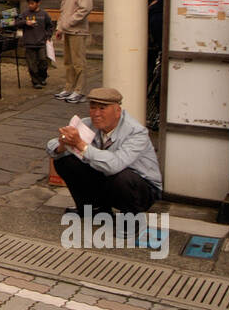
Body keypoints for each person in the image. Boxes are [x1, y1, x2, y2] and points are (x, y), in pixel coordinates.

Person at [45, 86, 162, 218]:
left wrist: (80, 144)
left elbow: (114, 165)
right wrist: (63, 144)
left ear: (117, 111)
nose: (96, 114)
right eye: (93, 107)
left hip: (141, 188)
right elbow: (51, 147)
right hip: (107, 180)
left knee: (123, 177)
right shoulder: (87, 124)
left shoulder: (136, 132)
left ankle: (131, 218)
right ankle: (93, 209)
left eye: (102, 108)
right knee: (64, 161)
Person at [53, 0, 93, 104]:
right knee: (68, 61)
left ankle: (79, 90)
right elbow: (64, 9)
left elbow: (85, 8)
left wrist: (68, 23)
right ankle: (69, 87)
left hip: (78, 30)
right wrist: (60, 27)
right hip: (68, 29)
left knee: (78, 62)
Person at [18, 0, 55, 88]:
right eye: (29, 3)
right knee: (32, 64)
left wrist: (48, 35)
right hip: (29, 43)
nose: (30, 5)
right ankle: (35, 81)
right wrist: (25, 22)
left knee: (43, 61)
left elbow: (50, 26)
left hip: (41, 43)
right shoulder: (25, 14)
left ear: (38, 3)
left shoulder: (44, 14)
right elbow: (16, 22)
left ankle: (42, 77)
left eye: (32, 3)